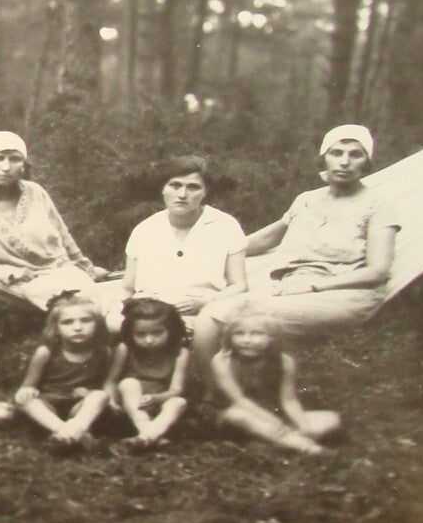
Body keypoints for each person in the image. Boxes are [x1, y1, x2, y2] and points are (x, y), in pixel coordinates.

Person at [194, 125, 400, 379]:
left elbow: (378, 271)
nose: (345, 162)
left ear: (367, 162)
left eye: (355, 154)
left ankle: (214, 390)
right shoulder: (307, 199)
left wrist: (313, 286)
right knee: (208, 307)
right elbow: (269, 237)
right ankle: (223, 387)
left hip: (344, 294)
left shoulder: (378, 205)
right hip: (292, 286)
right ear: (324, 158)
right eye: (336, 153)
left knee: (215, 316)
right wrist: (211, 254)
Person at [0, 131, 107, 310]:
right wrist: (5, 272)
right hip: (15, 283)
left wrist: (87, 268)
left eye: (15, 159)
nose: (6, 167)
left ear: (24, 165)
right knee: (72, 305)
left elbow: (64, 236)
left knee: (100, 301)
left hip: (61, 270)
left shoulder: (35, 192)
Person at [115, 155, 246, 330]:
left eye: (193, 187)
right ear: (163, 189)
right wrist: (115, 311)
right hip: (147, 312)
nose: (182, 195)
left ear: (205, 192)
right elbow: (127, 287)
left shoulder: (225, 225)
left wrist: (206, 302)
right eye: (175, 185)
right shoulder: (145, 229)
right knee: (113, 324)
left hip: (202, 311)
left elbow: (239, 285)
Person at [211, 313, 339, 455]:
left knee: (331, 418)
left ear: (272, 337)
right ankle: (310, 448)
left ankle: (275, 441)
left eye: (257, 333)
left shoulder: (284, 361)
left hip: (274, 413)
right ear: (229, 336)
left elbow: (289, 400)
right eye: (239, 333)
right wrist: (274, 422)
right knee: (238, 416)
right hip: (235, 414)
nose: (246, 340)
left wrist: (303, 425)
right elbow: (239, 400)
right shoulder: (222, 360)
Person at [0, 293, 112, 451]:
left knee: (99, 396)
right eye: (67, 322)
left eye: (86, 320)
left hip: (78, 408)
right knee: (26, 402)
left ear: (97, 324)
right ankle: (71, 432)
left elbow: (103, 386)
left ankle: (67, 434)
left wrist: (89, 392)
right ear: (56, 328)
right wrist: (29, 390)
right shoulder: (46, 353)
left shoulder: (102, 352)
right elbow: (27, 386)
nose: (78, 327)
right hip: (49, 406)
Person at [106, 297, 190, 449]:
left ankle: (146, 437)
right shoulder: (125, 349)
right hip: (131, 406)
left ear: (171, 330)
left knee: (178, 402)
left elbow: (176, 390)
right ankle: (149, 433)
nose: (149, 340)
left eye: (157, 333)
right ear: (130, 332)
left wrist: (156, 399)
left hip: (160, 404)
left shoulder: (180, 352)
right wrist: (111, 400)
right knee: (128, 383)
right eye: (140, 334)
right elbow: (111, 381)